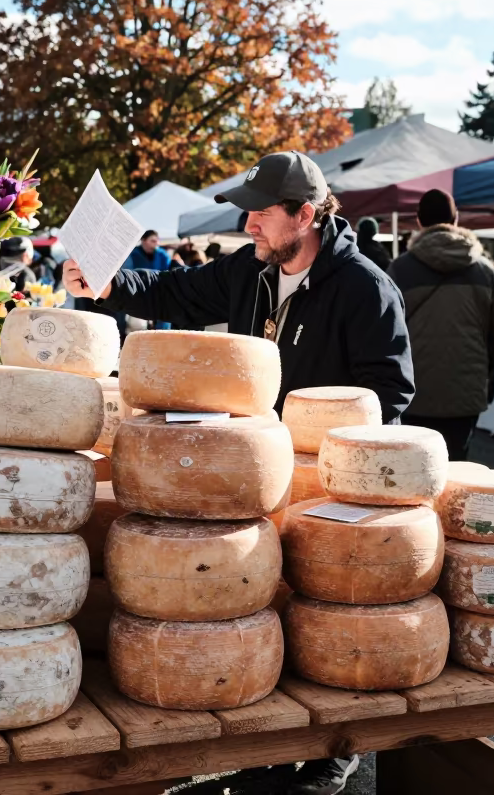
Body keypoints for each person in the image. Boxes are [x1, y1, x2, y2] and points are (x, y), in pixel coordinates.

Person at [65, 152, 414, 795]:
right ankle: (276, 745)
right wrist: (108, 284)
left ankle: (334, 749)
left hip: (318, 481)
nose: (248, 226)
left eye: (260, 214)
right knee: (260, 601)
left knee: (321, 606)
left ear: (304, 216)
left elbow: (389, 392)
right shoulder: (251, 271)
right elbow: (175, 292)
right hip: (249, 474)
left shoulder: (365, 287)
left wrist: (326, 456)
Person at [387, 190, 494, 461]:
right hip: (466, 386)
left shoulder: (399, 270)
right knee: (457, 468)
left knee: (415, 471)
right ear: (456, 219)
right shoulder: (484, 270)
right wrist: (481, 363)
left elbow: (383, 332)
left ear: (418, 221)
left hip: (414, 388)